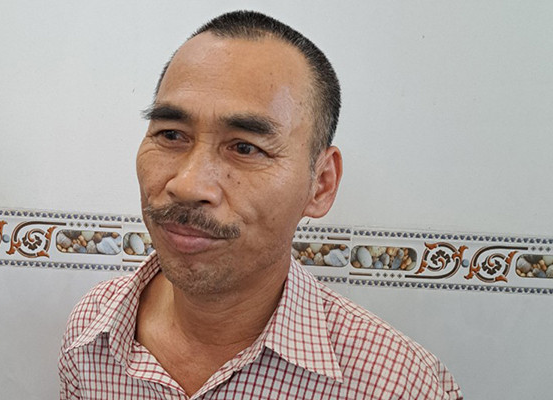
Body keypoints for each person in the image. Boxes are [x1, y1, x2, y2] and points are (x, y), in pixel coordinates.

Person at [59, 10, 463, 399]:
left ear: (320, 184)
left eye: (245, 147)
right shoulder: (92, 333)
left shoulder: (397, 386)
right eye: (171, 135)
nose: (188, 185)